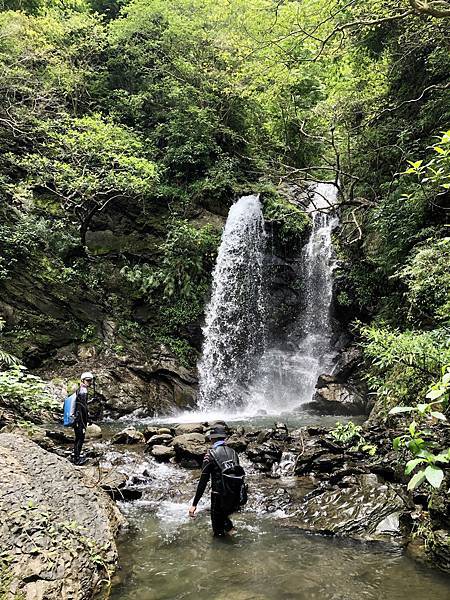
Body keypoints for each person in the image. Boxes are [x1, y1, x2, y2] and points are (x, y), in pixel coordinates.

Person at [188, 424, 244, 537]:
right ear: (223, 438)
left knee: (218, 534)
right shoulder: (233, 453)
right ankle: (233, 533)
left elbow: (203, 481)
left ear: (213, 438)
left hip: (218, 496)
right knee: (225, 521)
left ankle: (227, 551)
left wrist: (194, 504)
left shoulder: (210, 455)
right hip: (233, 495)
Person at [73, 371, 94, 465]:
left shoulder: (79, 389)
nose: (89, 382)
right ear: (83, 380)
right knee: (80, 438)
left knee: (78, 437)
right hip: (80, 418)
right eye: (88, 380)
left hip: (77, 417)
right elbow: (83, 407)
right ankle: (77, 459)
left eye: (90, 381)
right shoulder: (83, 391)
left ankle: (76, 455)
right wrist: (88, 418)